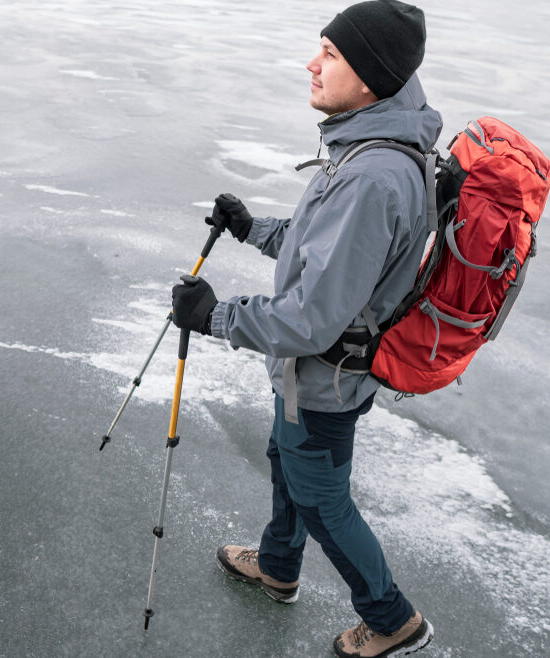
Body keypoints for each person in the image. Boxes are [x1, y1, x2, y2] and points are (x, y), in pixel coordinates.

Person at [170, 1, 442, 655]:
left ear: (371, 76)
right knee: (285, 464)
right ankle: (278, 567)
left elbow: (310, 320)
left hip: (324, 379)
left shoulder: (372, 176)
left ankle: (391, 619)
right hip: (311, 378)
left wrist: (214, 317)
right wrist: (249, 229)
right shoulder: (367, 146)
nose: (311, 64)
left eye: (331, 54)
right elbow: (319, 251)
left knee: (320, 497)